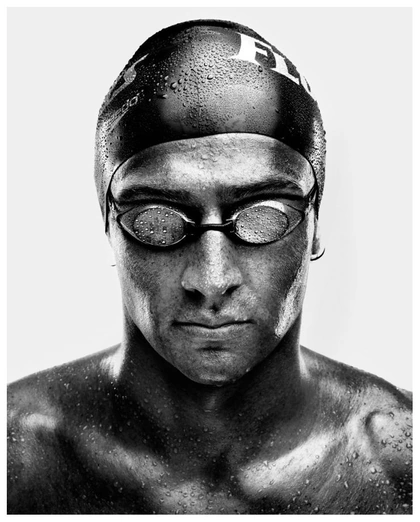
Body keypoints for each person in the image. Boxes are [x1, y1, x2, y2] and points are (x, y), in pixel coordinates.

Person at [7, 19, 412, 515]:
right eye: (157, 221)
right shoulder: (15, 455)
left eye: (264, 217)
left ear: (316, 227)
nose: (212, 279)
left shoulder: (401, 458)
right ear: (108, 224)